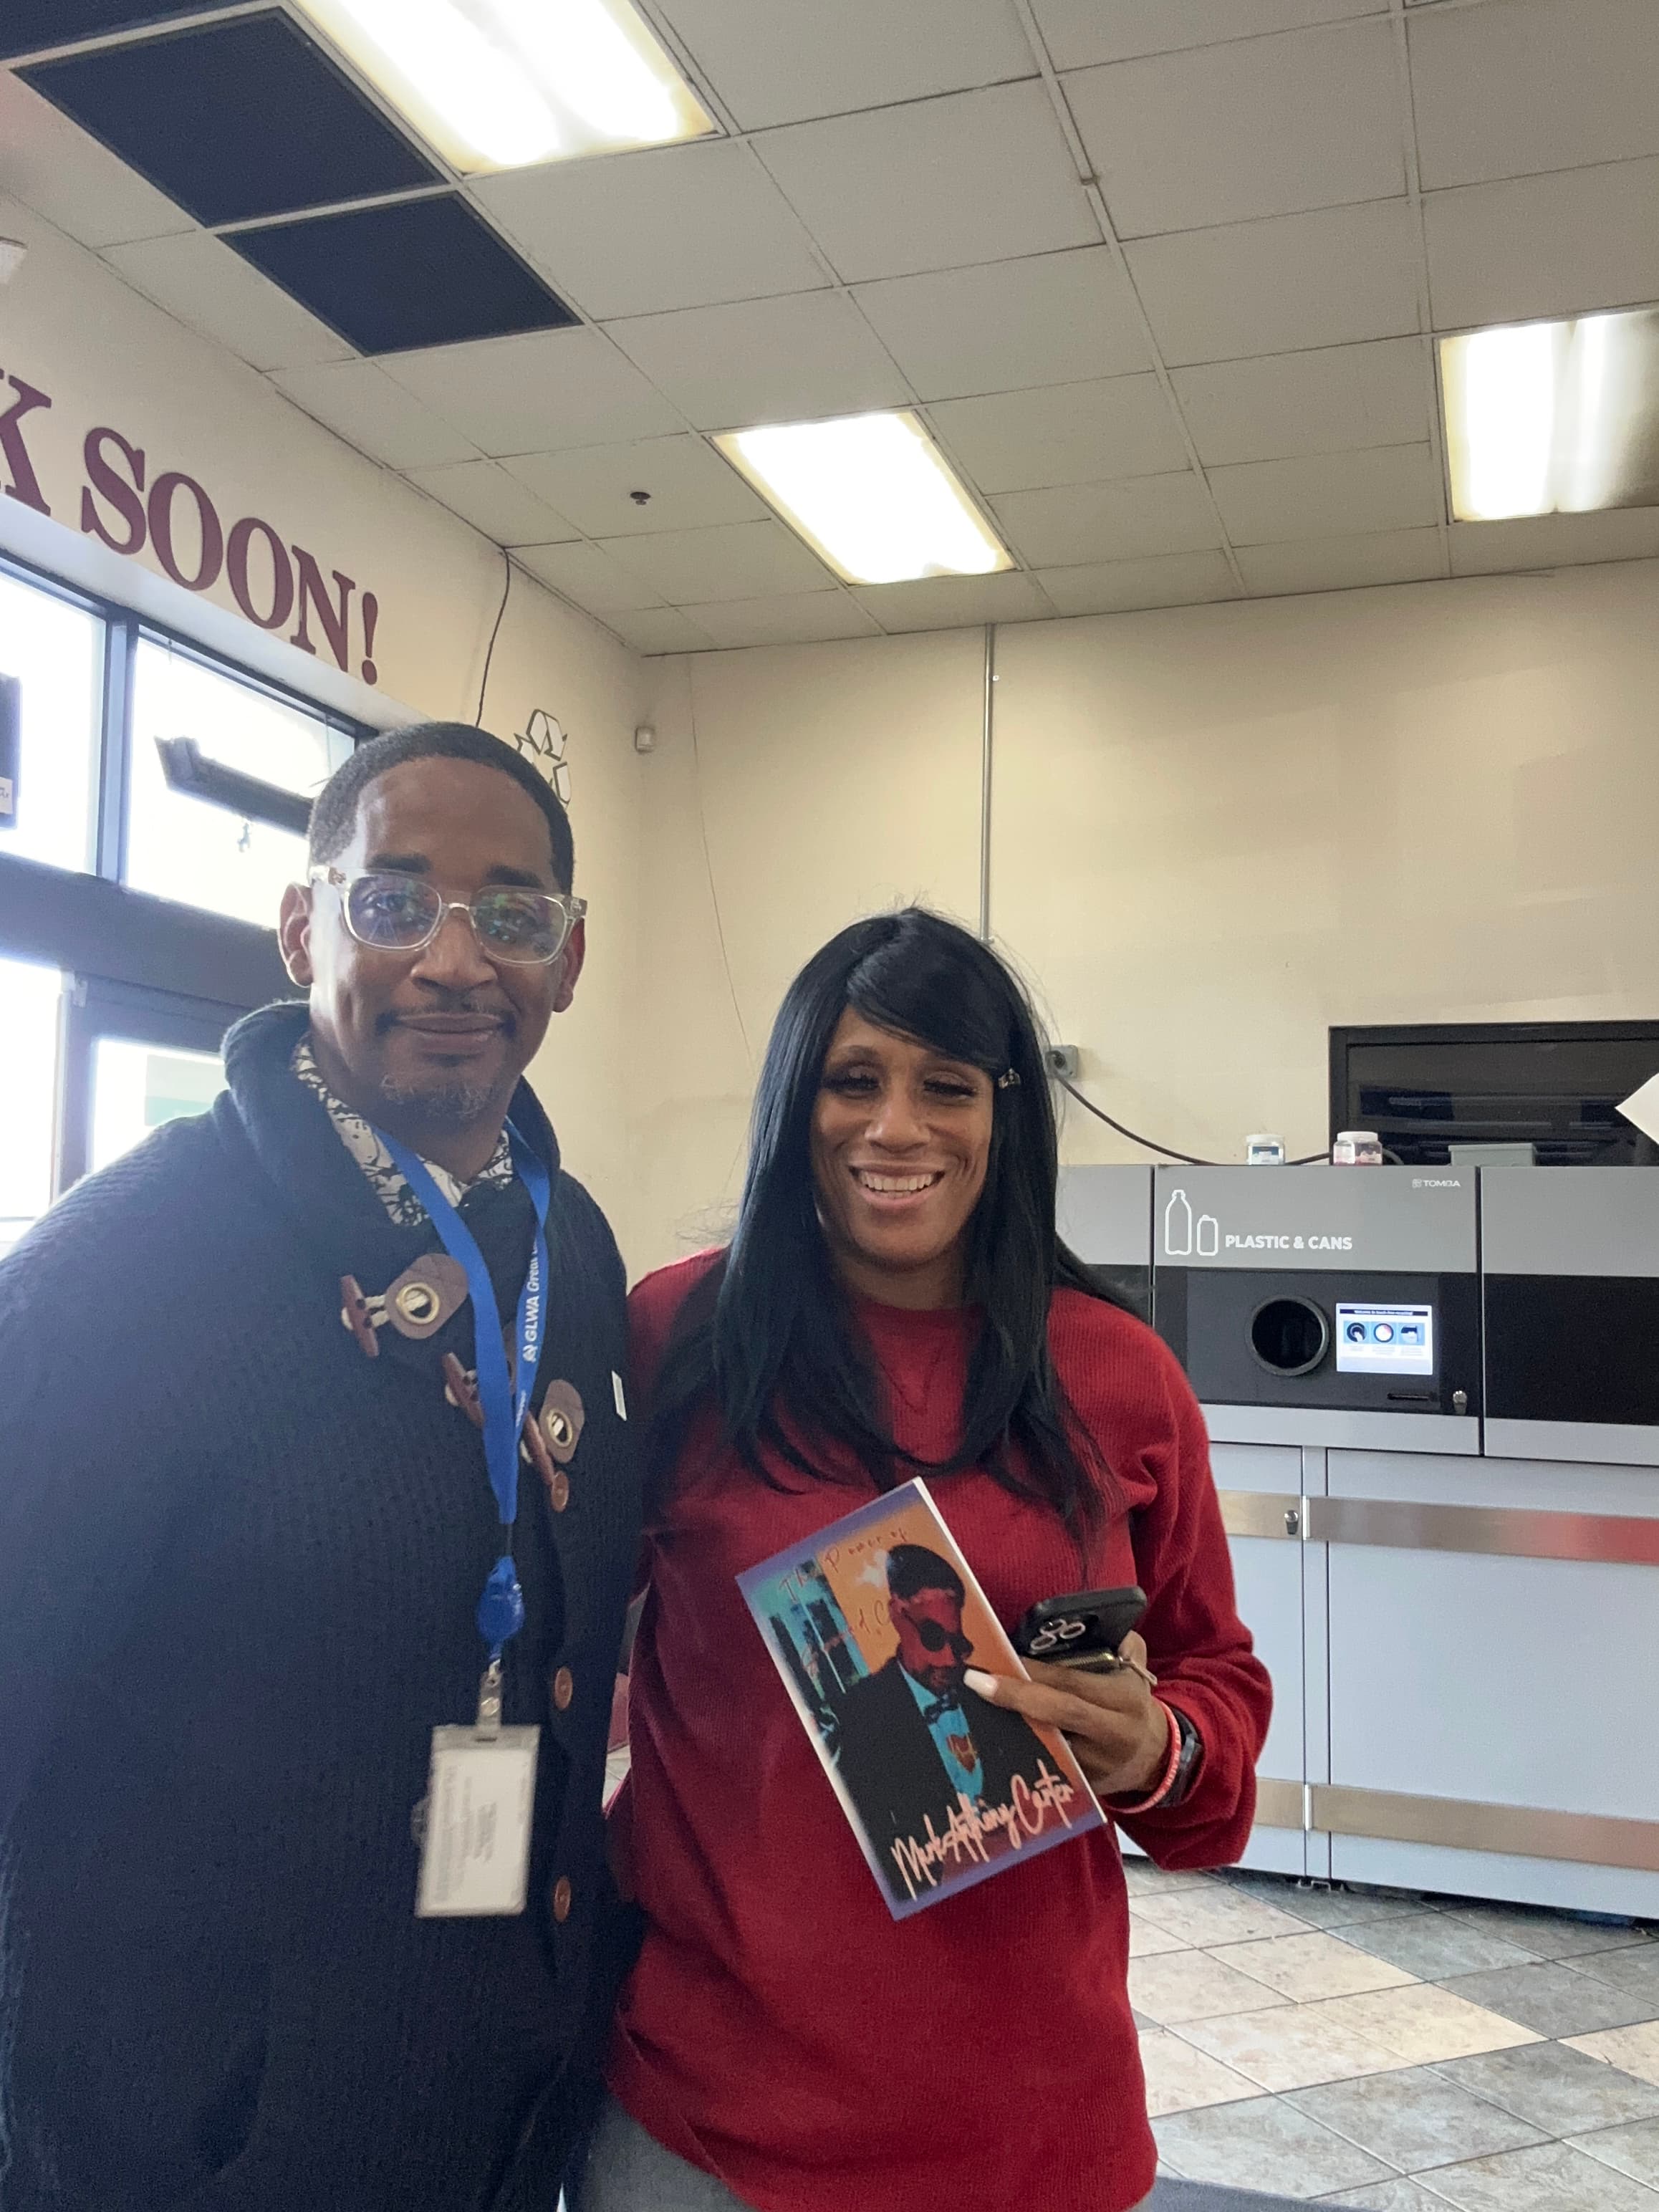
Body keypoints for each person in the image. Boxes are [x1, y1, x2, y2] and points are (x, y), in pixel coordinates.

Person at [0, 723, 641, 2212]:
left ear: (567, 956)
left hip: (498, 2117)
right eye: (395, 901)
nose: (456, 960)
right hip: (188, 2148)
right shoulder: (115, 1277)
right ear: (303, 927)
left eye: (512, 914)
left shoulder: (573, 1245)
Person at [576, 908, 1271, 2212]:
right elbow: (554, 1639)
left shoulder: (1118, 1375)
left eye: (946, 1085)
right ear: (797, 1102)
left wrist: (1155, 1748)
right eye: (853, 1079)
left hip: (1028, 2129)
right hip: (704, 2122)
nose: (895, 1128)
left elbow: (1213, 1686)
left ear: (1005, 1114)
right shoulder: (679, 1337)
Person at [830, 1542, 1057, 1899]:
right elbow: (868, 1846)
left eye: (959, 1643)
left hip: (1030, 1892)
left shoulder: (986, 1687)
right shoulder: (859, 1713)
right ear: (897, 1614)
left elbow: (1051, 1784)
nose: (951, 1660)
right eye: (934, 1638)